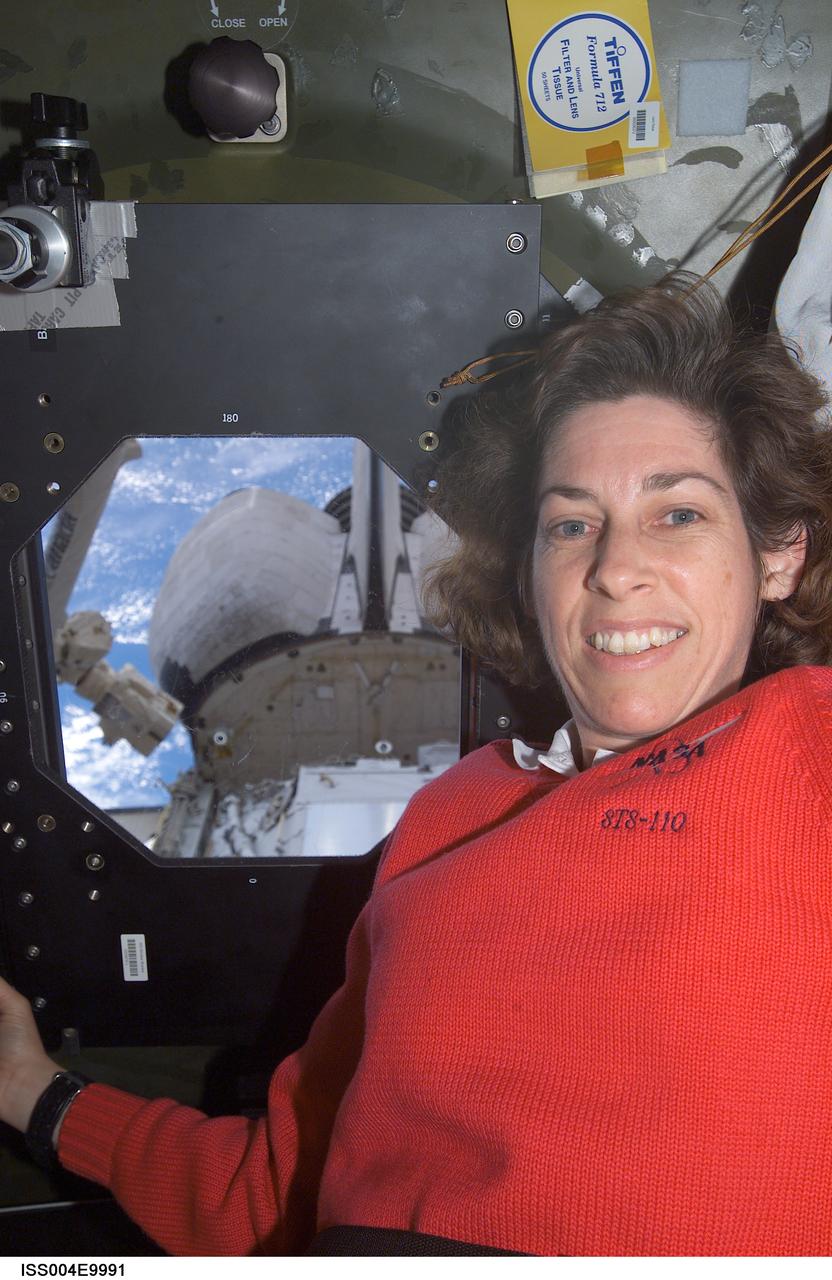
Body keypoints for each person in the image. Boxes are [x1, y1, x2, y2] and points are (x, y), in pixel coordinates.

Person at [2, 274, 832, 1257]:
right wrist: (29, 1088)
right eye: (570, 524)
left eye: (677, 513)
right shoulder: (450, 816)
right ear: (527, 567)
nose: (615, 567)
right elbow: (276, 1191)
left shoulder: (806, 755)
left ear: (778, 553)